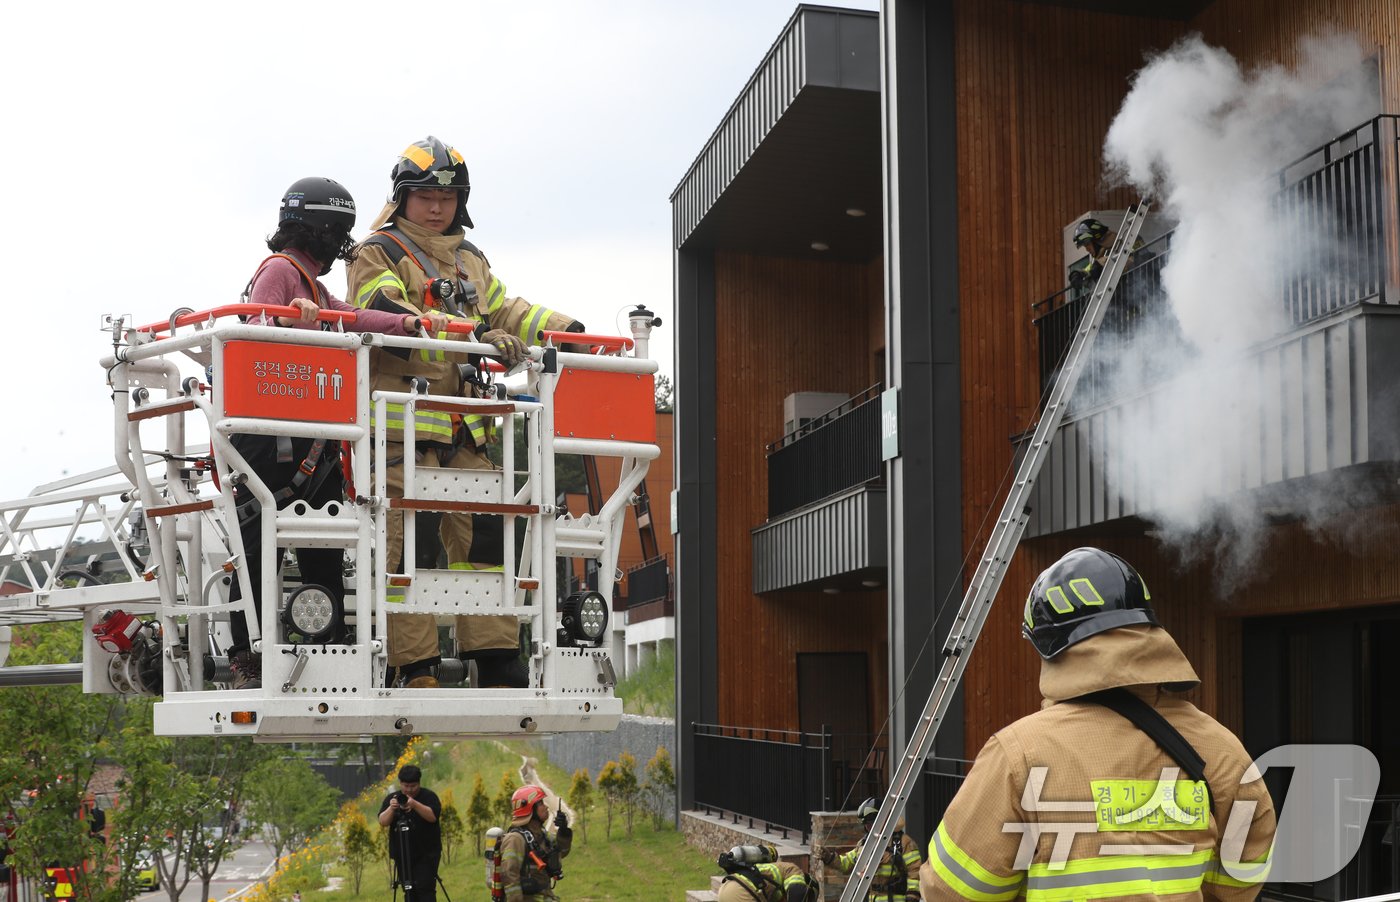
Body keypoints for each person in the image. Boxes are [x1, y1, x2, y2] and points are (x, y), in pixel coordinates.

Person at [346, 137, 586, 689]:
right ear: (403, 197)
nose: (437, 206)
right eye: (426, 194)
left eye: (448, 195)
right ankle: (416, 665)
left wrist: (568, 332)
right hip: (400, 434)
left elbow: (507, 307)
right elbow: (386, 313)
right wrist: (475, 334)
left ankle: (497, 653)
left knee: (488, 536)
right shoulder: (375, 253)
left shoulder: (470, 259)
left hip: (465, 434)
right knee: (408, 544)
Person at [919, 547, 1276, 901]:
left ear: (1048, 646)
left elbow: (951, 891)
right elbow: (1242, 878)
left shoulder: (1018, 755)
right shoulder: (1221, 748)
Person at [224, 177, 448, 689]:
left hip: (310, 441)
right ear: (323, 230)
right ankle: (248, 657)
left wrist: (407, 325)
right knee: (262, 549)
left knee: (323, 545)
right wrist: (297, 324)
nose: (340, 242)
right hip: (272, 439)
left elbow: (351, 316)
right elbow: (259, 326)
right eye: (339, 231)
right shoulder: (280, 272)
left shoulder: (314, 286)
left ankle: (328, 644)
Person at [818, 797, 920, 901]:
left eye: (871, 823)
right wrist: (829, 858)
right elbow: (847, 863)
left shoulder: (903, 842)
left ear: (884, 819)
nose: (868, 828)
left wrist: (912, 896)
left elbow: (915, 871)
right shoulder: (865, 844)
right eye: (866, 824)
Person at [378, 765, 442, 902]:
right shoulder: (393, 798)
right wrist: (391, 808)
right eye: (405, 786)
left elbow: (432, 816)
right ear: (400, 783)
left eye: (413, 786)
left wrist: (414, 804)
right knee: (409, 890)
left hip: (427, 853)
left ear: (419, 783)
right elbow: (382, 821)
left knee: (425, 889)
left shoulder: (429, 796)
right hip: (402, 854)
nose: (409, 790)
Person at [497, 785, 571, 900]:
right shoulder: (515, 839)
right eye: (540, 803)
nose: (546, 806)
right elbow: (509, 876)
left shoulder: (541, 834)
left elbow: (561, 852)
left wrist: (564, 831)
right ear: (529, 808)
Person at [716, 844, 817, 902]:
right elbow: (797, 891)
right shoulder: (792, 870)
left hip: (726, 889)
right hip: (743, 892)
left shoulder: (768, 874)